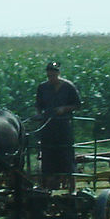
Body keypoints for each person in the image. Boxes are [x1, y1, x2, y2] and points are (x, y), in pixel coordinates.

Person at [35, 61, 81, 190]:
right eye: (49, 76)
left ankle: (72, 187)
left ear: (58, 73)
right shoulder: (42, 87)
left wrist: (64, 109)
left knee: (66, 155)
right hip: (48, 126)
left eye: (53, 76)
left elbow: (77, 105)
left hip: (63, 126)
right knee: (48, 155)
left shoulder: (68, 87)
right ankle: (47, 187)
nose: (51, 79)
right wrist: (39, 115)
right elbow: (38, 105)